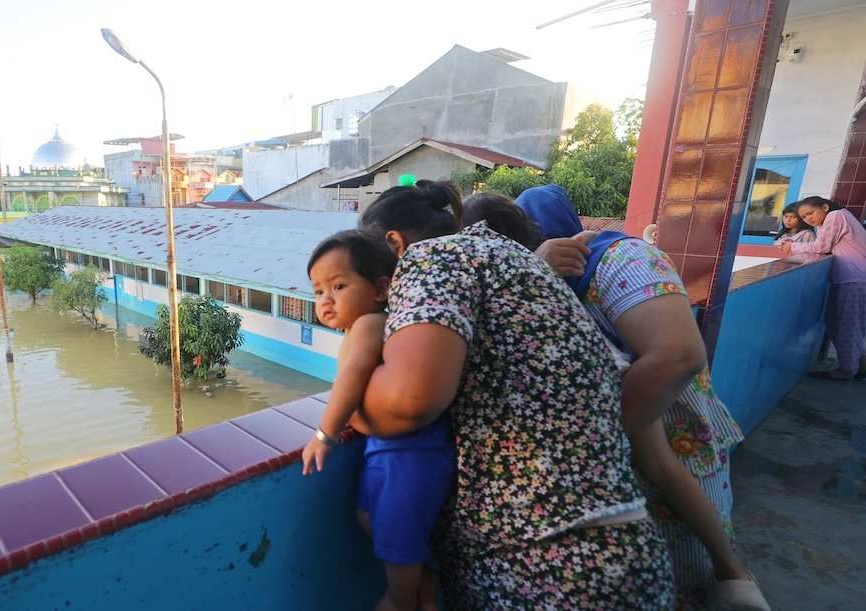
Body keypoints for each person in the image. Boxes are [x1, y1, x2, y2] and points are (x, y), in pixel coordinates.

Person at [353, 180, 673, 609]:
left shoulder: (431, 260)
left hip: (545, 565)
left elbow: (411, 402)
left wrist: (344, 405)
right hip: (615, 548)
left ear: (394, 244)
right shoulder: (517, 260)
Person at [467, 186, 765, 610]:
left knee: (692, 566)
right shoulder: (548, 283)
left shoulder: (620, 258)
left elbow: (678, 356)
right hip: (625, 448)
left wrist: (593, 444)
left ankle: (733, 578)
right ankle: (732, 576)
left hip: (668, 429)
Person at [300, 230, 454, 611]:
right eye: (318, 291)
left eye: (338, 286)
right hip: (385, 452)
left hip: (408, 455)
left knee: (397, 542)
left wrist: (325, 433)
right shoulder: (358, 327)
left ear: (381, 289)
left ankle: (401, 601)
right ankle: (425, 584)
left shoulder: (371, 322)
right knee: (370, 519)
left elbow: (353, 376)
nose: (326, 300)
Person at [779, 196, 866, 380]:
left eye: (810, 213)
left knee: (846, 324)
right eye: (803, 217)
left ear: (825, 207)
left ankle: (848, 369)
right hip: (850, 278)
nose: (807, 219)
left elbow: (821, 247)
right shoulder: (837, 218)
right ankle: (856, 363)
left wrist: (791, 247)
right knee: (837, 321)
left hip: (853, 279)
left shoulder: (835, 216)